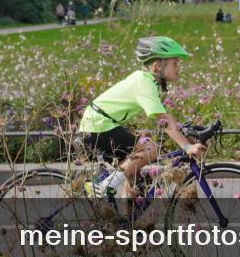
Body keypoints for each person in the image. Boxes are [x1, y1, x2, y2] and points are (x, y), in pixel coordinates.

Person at [78, 36, 206, 199]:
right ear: (158, 66)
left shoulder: (147, 81)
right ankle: (105, 187)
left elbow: (165, 118)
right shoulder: (144, 83)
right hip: (97, 126)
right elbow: (164, 121)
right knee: (150, 148)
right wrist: (187, 147)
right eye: (174, 63)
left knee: (136, 184)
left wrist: (185, 135)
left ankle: (126, 221)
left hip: (100, 125)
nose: (178, 68)